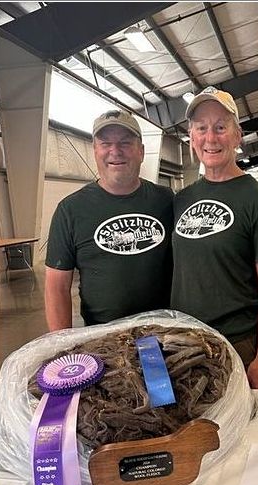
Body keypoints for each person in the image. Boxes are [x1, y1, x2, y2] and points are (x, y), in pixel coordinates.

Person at [171, 86, 258, 389]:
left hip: (236, 345)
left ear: (237, 136)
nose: (211, 137)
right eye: (202, 128)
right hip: (183, 343)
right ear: (192, 137)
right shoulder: (182, 199)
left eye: (221, 127)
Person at [45, 109, 174, 330]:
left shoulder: (166, 200)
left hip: (165, 333)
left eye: (125, 143)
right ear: (95, 151)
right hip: (102, 340)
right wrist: (61, 346)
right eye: (105, 144)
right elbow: (56, 287)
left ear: (141, 152)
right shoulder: (70, 210)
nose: (115, 151)